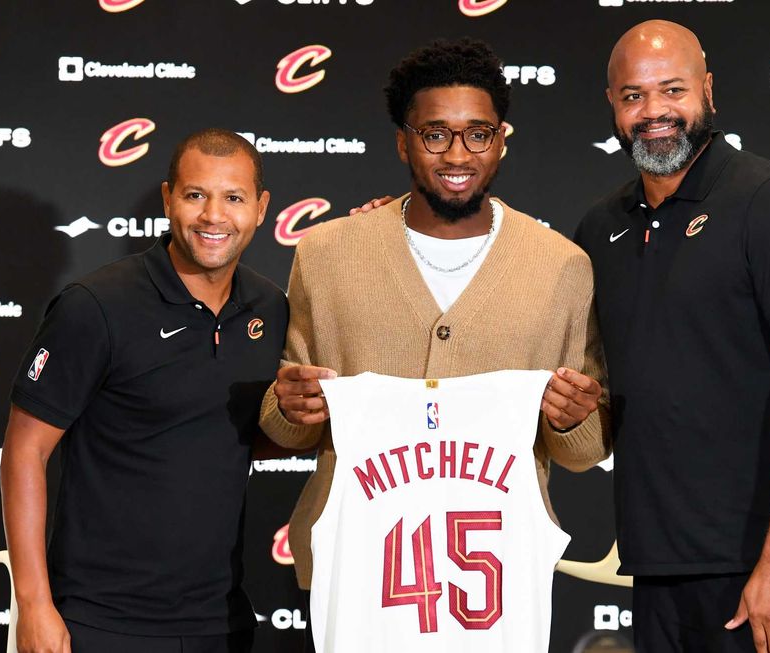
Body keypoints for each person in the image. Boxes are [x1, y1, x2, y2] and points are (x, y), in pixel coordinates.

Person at [258, 38, 610, 650]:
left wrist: (575, 419)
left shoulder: (562, 267)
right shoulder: (328, 254)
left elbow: (584, 447)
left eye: (478, 134)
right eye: (435, 134)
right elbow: (289, 420)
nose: (458, 154)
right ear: (403, 142)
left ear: (501, 140)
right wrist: (289, 409)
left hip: (494, 587)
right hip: (358, 577)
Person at [574, 20, 770, 653]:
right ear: (613, 105)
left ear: (707, 90)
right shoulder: (600, 228)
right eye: (634, 95)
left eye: (672, 90)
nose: (654, 112)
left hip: (766, 569)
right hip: (656, 566)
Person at [1, 128, 288, 653]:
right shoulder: (96, 305)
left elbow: (239, 438)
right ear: (168, 198)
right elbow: (25, 451)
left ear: (261, 208)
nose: (214, 216)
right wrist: (35, 604)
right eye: (196, 195)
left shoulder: (270, 308)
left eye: (234, 198)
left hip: (219, 622)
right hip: (100, 621)